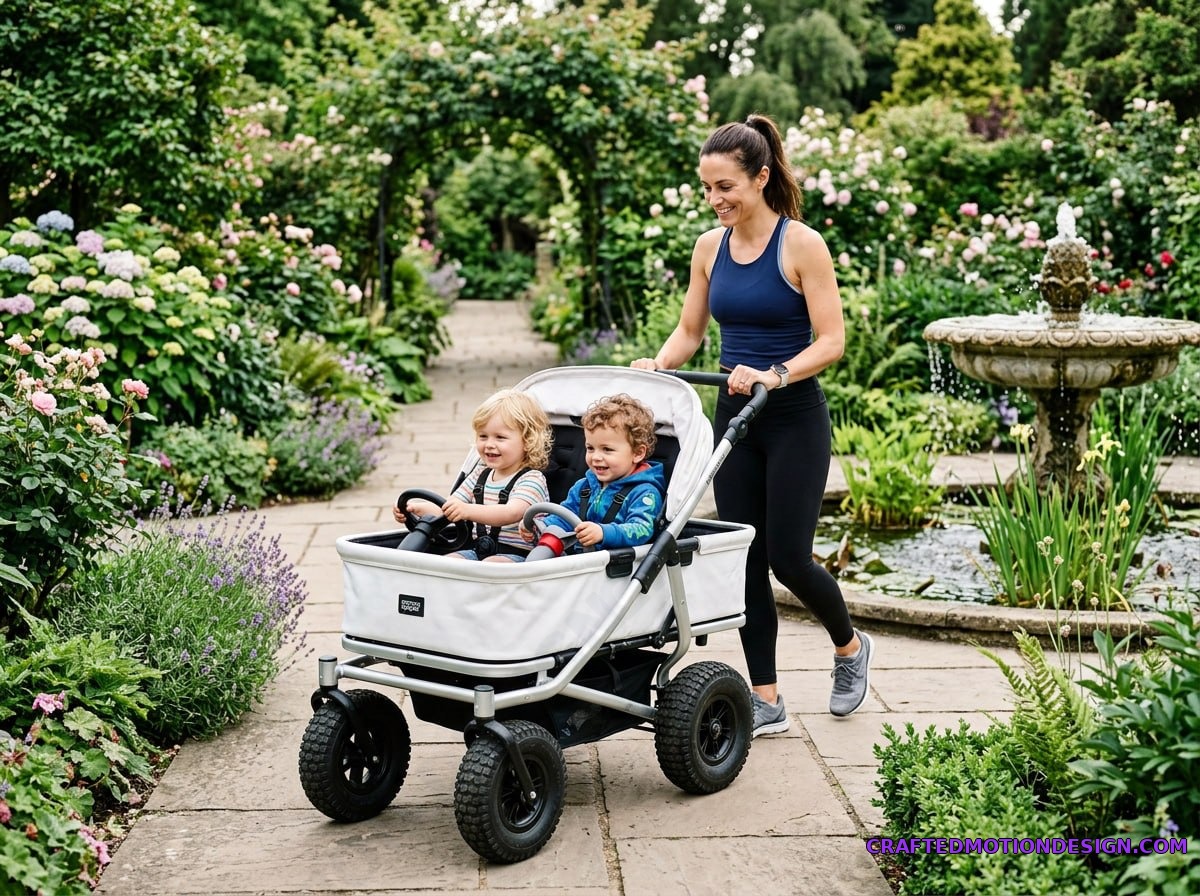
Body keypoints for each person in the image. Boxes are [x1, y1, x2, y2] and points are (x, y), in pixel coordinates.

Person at [632, 114, 873, 732]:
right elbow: (690, 331)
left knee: (789, 558)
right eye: (707, 188)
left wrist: (775, 372)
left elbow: (832, 341)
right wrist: (657, 366)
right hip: (735, 417)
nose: (714, 200)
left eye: (725, 187)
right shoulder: (709, 248)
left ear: (761, 178)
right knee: (743, 558)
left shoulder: (801, 245)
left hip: (792, 417)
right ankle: (767, 698)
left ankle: (850, 647)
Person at [396, 389, 551, 561]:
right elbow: (449, 508)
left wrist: (467, 510)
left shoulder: (531, 480)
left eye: (500, 437)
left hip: (520, 557)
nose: (489, 444)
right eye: (483, 436)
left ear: (528, 441)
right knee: (446, 562)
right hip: (479, 551)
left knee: (491, 564)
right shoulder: (479, 474)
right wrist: (415, 509)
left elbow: (510, 513)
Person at [523, 394, 665, 556]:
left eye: (607, 449)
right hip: (578, 560)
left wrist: (603, 532)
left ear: (638, 453)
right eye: (590, 448)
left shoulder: (645, 493)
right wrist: (541, 526)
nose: (596, 457)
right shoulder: (584, 486)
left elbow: (642, 529)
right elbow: (564, 518)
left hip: (615, 564)